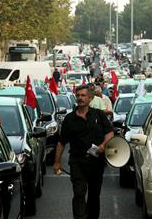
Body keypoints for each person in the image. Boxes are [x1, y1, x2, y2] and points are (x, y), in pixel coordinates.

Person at [53, 84, 114, 219]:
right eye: (78, 95)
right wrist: (57, 162)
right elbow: (61, 142)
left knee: (94, 195)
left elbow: (109, 133)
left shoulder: (99, 115)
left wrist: (103, 146)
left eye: (83, 95)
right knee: (79, 193)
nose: (80, 98)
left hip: (96, 162)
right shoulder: (69, 119)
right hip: (77, 162)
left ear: (90, 98)